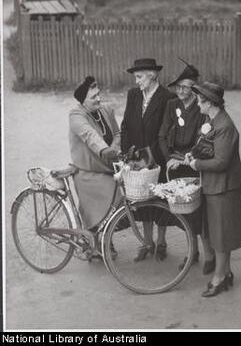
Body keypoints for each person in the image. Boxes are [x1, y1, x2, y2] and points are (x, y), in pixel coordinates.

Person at [185, 82, 241, 297]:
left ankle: (219, 277)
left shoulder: (225, 126)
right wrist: (193, 155)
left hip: (224, 188)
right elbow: (206, 147)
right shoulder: (212, 120)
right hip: (215, 186)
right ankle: (227, 272)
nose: (196, 104)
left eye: (199, 100)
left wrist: (196, 165)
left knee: (221, 236)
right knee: (219, 233)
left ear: (209, 103)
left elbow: (221, 162)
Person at [159, 59, 214, 272]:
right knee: (184, 211)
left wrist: (184, 159)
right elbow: (162, 134)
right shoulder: (172, 105)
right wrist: (168, 158)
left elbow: (202, 141)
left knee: (199, 211)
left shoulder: (201, 108)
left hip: (193, 163)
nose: (181, 90)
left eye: (186, 87)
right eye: (179, 86)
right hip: (175, 164)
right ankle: (193, 252)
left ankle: (209, 254)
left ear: (194, 89)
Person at [121, 57, 175, 261]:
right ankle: (147, 242)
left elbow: (167, 132)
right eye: (136, 77)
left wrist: (149, 155)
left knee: (159, 199)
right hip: (137, 159)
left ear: (153, 75)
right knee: (142, 200)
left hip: (157, 158)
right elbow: (126, 125)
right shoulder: (133, 95)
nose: (137, 81)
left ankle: (161, 242)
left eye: (140, 76)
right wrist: (129, 152)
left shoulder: (167, 97)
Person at [69, 76, 121, 256]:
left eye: (99, 94)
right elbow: (90, 135)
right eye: (93, 97)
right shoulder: (76, 116)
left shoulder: (105, 109)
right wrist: (105, 150)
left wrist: (114, 148)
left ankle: (105, 238)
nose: (99, 98)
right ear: (83, 101)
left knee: (117, 198)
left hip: (107, 166)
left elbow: (117, 133)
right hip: (88, 171)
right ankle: (95, 241)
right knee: (110, 197)